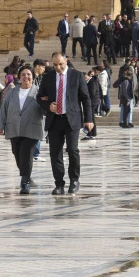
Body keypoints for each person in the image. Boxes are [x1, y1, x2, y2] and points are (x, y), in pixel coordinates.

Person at [37, 53, 94, 194]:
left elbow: (85, 98)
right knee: (55, 153)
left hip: (72, 119)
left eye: (61, 64)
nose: (58, 67)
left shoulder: (77, 76)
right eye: (55, 65)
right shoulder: (48, 77)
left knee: (72, 150)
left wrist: (89, 119)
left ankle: (74, 180)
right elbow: (39, 97)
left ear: (66, 61)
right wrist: (48, 105)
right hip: (54, 120)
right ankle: (59, 183)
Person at [0, 66, 46, 194]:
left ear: (33, 77)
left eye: (29, 74)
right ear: (19, 77)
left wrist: (47, 103)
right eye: (23, 74)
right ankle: (27, 176)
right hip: (14, 128)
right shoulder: (12, 92)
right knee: (17, 154)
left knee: (27, 154)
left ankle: (25, 182)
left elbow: (45, 110)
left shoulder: (38, 92)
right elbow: (4, 109)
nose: (26, 77)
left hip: (32, 128)